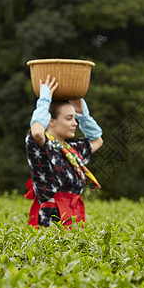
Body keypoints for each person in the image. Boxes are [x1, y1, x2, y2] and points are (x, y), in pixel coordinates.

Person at [24, 74, 103, 228]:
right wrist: (44, 101)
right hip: (50, 223)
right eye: (69, 118)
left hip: (73, 218)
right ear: (51, 120)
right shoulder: (42, 146)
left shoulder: (71, 151)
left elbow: (97, 139)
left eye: (75, 118)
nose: (74, 123)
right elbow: (37, 132)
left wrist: (83, 115)